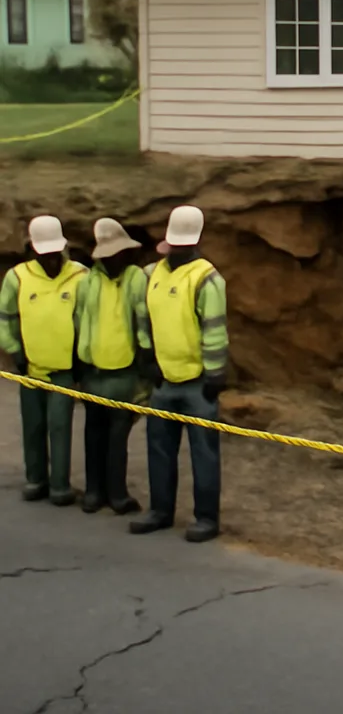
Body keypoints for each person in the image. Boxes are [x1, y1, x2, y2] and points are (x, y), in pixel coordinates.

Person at [130, 205, 229, 543]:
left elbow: (214, 330)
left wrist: (215, 374)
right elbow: (143, 319)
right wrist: (148, 358)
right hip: (164, 379)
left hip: (198, 383)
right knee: (158, 447)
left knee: (203, 452)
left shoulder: (207, 278)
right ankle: (160, 510)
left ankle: (206, 518)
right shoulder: (149, 275)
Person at [0, 215, 86, 505]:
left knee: (60, 426)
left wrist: (81, 357)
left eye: (55, 252)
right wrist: (14, 351)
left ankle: (60, 486)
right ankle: (36, 480)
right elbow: (5, 318)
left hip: (64, 369)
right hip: (30, 367)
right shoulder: (18, 277)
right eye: (45, 253)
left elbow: (87, 320)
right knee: (33, 425)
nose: (52, 258)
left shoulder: (80, 276)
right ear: (34, 250)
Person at [75, 218, 154, 515]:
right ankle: (95, 493)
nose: (115, 258)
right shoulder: (88, 282)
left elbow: (143, 317)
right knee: (94, 433)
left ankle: (117, 494)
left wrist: (146, 355)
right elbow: (79, 321)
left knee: (118, 436)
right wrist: (79, 362)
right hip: (93, 371)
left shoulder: (136, 278)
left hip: (124, 372)